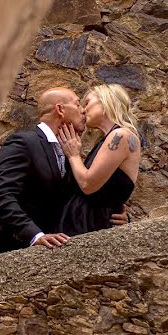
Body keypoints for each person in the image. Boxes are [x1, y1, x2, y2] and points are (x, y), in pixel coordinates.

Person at [0, 87, 127, 260]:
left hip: (40, 260)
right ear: (60, 109)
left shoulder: (71, 153)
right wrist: (36, 236)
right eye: (78, 105)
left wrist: (111, 214)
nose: (83, 110)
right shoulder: (23, 143)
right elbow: (2, 198)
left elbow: (74, 203)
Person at [57, 83, 141, 236]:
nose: (83, 109)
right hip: (85, 223)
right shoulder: (108, 139)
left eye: (87, 102)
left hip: (87, 227)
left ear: (106, 101)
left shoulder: (121, 135)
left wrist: (74, 155)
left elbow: (88, 184)